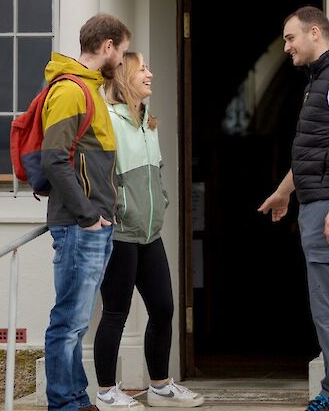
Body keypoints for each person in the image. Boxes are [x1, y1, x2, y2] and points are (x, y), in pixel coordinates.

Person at [258, 7, 329, 411]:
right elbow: (314, 153)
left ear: (313, 33)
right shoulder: (319, 82)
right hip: (319, 201)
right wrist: (283, 192)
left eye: (290, 38)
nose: (286, 47)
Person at [92, 53, 203, 410]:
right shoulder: (108, 120)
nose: (150, 74)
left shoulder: (147, 123)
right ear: (124, 77)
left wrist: (163, 201)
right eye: (142, 69)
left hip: (149, 234)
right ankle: (107, 392)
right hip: (121, 234)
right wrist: (119, 208)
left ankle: (160, 387)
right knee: (116, 313)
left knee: (164, 308)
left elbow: (156, 174)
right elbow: (99, 175)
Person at [43, 13, 132, 411]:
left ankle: (76, 399)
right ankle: (65, 404)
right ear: (108, 46)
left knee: (76, 323)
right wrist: (87, 216)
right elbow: (54, 159)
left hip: (93, 225)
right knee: (69, 322)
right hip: (82, 227)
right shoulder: (71, 90)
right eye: (123, 52)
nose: (124, 62)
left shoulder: (92, 89)